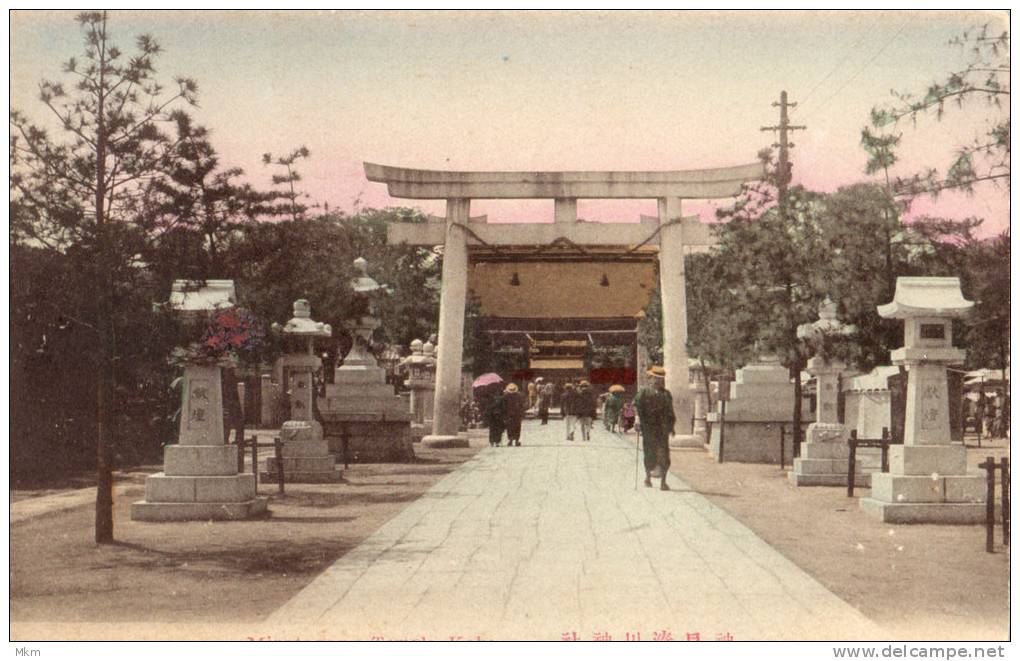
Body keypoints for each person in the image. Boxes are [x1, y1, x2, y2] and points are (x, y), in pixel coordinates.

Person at [634, 366, 676, 490]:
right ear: (650, 378)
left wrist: (672, 426)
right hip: (648, 427)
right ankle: (648, 477)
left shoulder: (666, 394)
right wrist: (637, 419)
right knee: (649, 453)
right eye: (655, 378)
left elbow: (670, 411)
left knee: (664, 454)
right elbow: (636, 405)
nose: (657, 381)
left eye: (660, 379)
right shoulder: (644, 392)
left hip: (662, 428)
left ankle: (663, 481)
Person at [503, 382, 526, 447]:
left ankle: (510, 440)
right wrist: (522, 414)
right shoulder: (518, 395)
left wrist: (504, 415)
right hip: (517, 414)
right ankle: (516, 440)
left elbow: (504, 406)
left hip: (509, 414)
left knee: (509, 428)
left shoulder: (505, 396)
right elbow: (522, 406)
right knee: (517, 427)